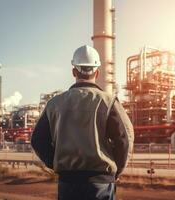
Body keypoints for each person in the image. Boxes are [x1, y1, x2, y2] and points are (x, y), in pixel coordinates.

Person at [31, 45, 134, 200]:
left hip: (68, 184)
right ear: (97, 72)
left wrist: (56, 163)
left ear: (74, 72)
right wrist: (116, 171)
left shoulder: (54, 104)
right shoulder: (108, 102)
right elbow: (124, 139)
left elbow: (37, 139)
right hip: (100, 185)